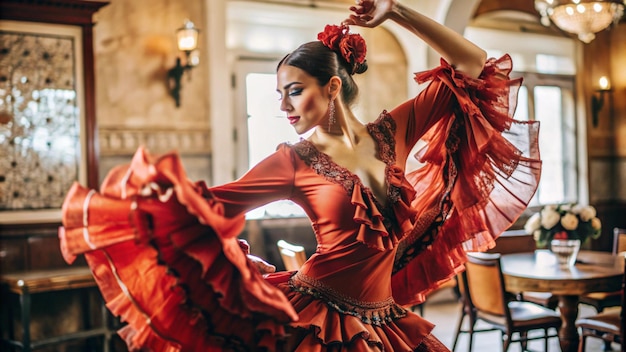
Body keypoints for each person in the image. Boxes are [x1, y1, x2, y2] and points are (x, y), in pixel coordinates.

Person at [59, 0, 541, 351]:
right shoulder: (292, 159)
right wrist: (138, 206)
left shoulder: (393, 132)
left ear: (333, 86)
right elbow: (211, 205)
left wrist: (397, 12)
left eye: (293, 91)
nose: (284, 106)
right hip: (318, 320)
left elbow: (476, 67)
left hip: (386, 322)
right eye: (279, 95)